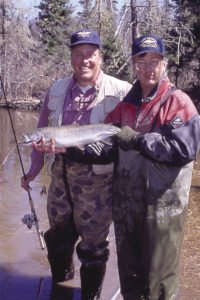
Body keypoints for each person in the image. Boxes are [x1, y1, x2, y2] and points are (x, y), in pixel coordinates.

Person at [21, 28, 132, 299]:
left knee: (93, 247)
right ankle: (62, 287)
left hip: (100, 186)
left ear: (100, 58)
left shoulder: (122, 91)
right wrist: (32, 172)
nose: (84, 60)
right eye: (78, 54)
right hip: (59, 181)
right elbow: (40, 129)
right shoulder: (56, 89)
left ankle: (90, 295)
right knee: (58, 239)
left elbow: (131, 141)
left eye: (90, 54)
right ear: (71, 58)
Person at [103, 34, 200, 299]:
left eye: (155, 60)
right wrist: (67, 146)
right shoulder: (125, 106)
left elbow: (185, 149)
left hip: (163, 210)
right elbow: (106, 145)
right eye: (141, 61)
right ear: (133, 64)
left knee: (159, 284)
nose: (148, 68)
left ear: (164, 64)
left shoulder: (178, 102)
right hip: (126, 209)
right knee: (130, 276)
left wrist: (137, 139)